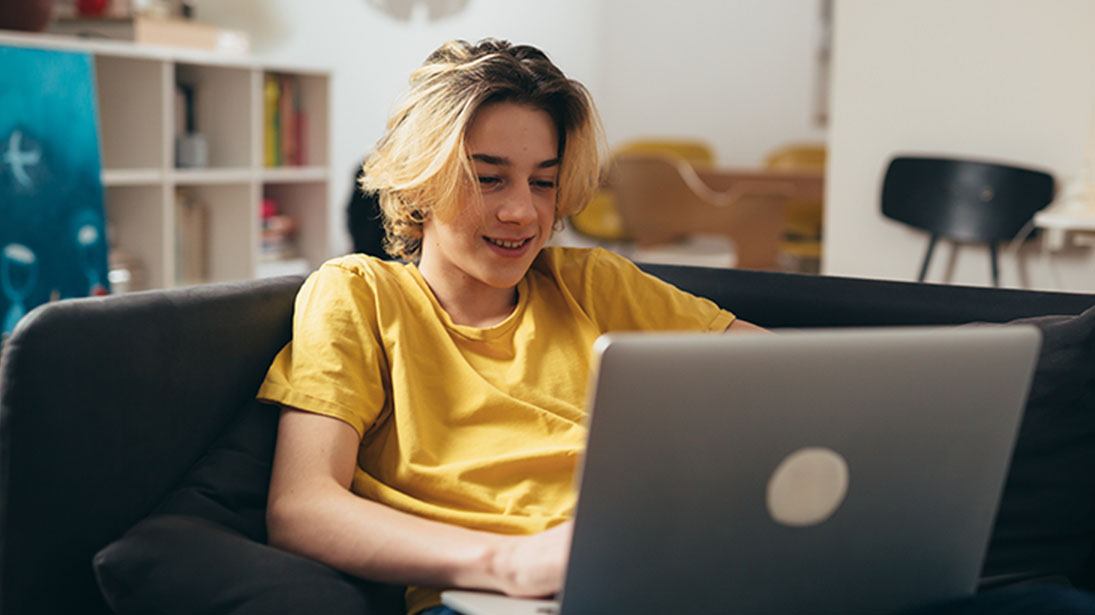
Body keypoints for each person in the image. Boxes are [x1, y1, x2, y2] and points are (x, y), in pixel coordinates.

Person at [257, 38, 763, 615]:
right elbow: (301, 508)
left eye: (542, 181)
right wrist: (508, 563)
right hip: (496, 596)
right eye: (488, 179)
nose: (523, 212)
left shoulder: (592, 282)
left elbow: (789, 378)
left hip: (660, 569)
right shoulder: (360, 293)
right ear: (423, 184)